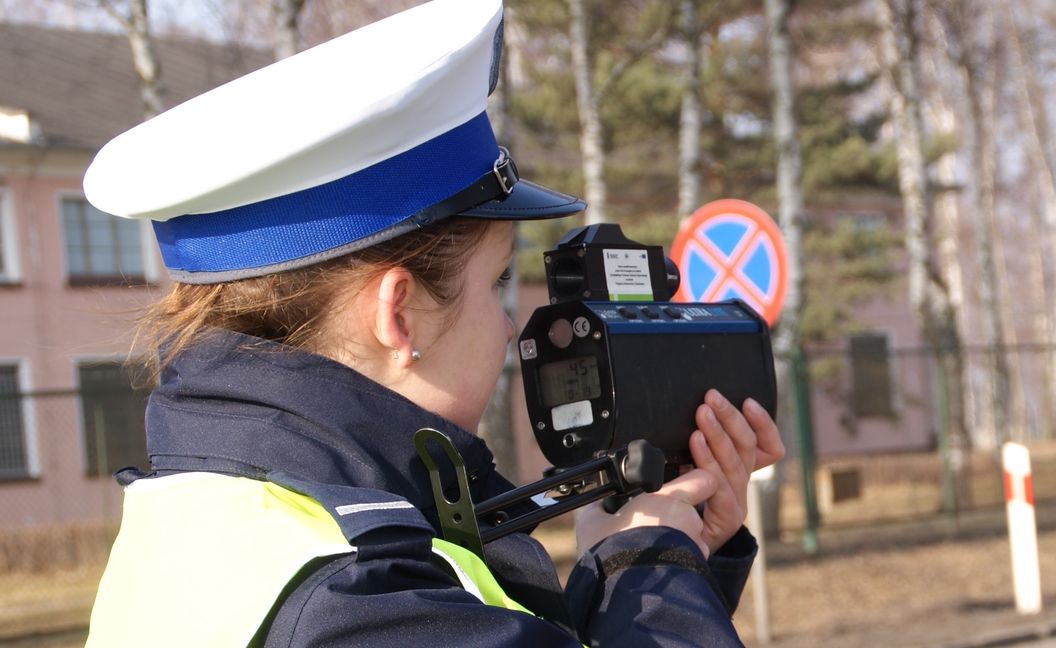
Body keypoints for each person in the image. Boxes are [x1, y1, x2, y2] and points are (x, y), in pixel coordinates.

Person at [82, 0, 784, 646]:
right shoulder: (353, 599)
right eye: (496, 283)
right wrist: (649, 564)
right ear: (400, 313)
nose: (510, 327)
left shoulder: (200, 512)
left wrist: (634, 561)